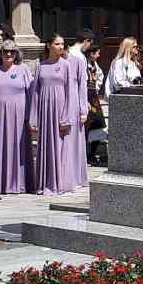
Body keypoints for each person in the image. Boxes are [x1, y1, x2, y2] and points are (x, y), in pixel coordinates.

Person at [0, 39, 32, 194]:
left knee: (17, 147)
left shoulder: (23, 69)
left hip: (19, 116)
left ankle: (17, 184)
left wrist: (30, 116)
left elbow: (30, 94)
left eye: (12, 51)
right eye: (5, 51)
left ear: (17, 54)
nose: (8, 54)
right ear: (0, 53)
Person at [29, 34, 74, 195]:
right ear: (49, 45)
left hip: (60, 109)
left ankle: (58, 183)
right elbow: (35, 93)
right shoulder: (40, 65)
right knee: (45, 145)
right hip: (44, 110)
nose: (61, 47)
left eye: (62, 44)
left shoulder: (66, 65)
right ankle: (44, 183)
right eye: (57, 44)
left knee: (59, 146)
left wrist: (66, 115)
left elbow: (70, 92)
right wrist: (33, 117)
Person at [63, 31, 92, 189]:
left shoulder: (76, 57)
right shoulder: (79, 57)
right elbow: (83, 84)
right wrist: (83, 106)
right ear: (86, 41)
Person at [85, 44, 107, 166]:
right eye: (97, 53)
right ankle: (84, 156)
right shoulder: (83, 64)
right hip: (86, 97)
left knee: (98, 124)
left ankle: (91, 154)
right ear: (92, 53)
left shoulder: (94, 65)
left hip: (93, 97)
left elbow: (100, 76)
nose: (98, 56)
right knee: (87, 126)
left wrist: (96, 88)